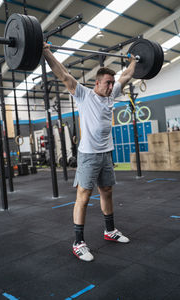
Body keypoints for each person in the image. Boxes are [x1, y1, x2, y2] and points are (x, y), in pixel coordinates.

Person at [43, 42, 137, 262]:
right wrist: (45, 51)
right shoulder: (84, 95)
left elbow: (126, 76)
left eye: (112, 83)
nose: (111, 86)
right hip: (88, 155)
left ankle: (110, 230)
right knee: (83, 197)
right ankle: (78, 242)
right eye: (107, 83)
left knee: (107, 191)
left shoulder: (111, 93)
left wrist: (135, 59)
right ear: (97, 83)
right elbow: (63, 74)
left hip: (106, 153)